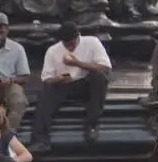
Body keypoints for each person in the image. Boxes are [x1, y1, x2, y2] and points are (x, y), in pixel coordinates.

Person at [31, 22, 112, 151]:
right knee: (45, 93)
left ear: (78, 36)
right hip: (64, 84)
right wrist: (57, 79)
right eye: (66, 45)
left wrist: (77, 63)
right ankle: (40, 139)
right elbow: (46, 79)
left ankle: (91, 125)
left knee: (99, 77)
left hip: (86, 83)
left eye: (72, 44)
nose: (70, 48)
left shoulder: (92, 42)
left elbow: (105, 68)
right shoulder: (53, 51)